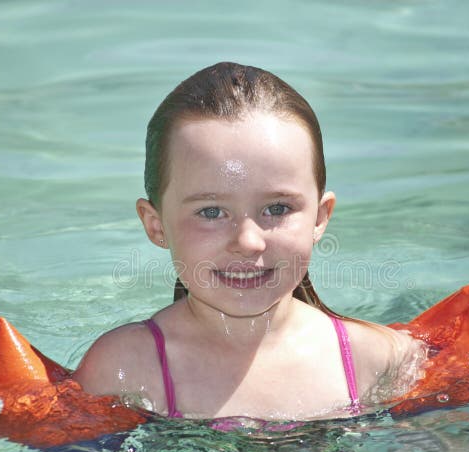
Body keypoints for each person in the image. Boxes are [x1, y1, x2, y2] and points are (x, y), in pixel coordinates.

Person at [73, 62, 426, 421]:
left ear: (320, 218)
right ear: (156, 225)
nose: (248, 241)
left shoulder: (380, 361)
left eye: (276, 208)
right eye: (211, 212)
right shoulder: (125, 370)